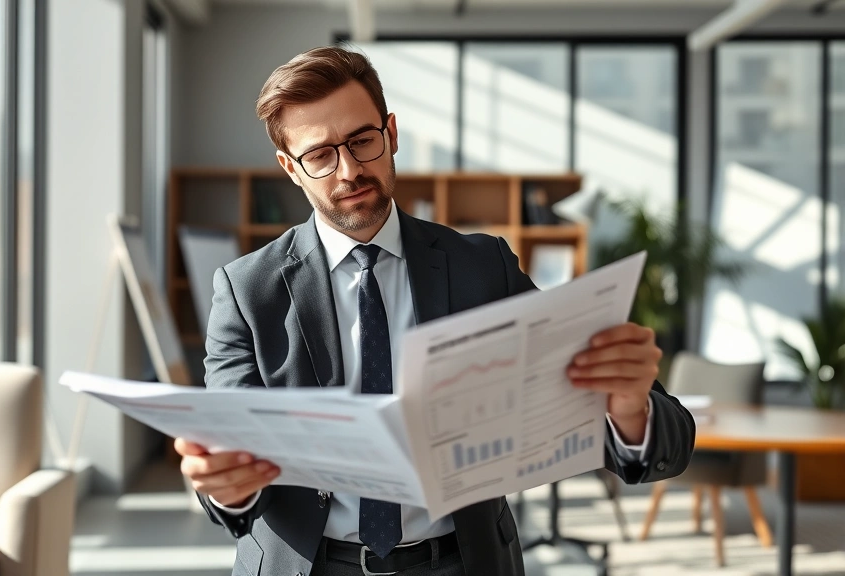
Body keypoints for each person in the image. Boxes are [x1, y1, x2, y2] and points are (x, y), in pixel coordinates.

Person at [175, 45, 695, 576]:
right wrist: (227, 485)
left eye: (362, 140)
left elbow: (662, 438)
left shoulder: (482, 268)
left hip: (462, 562)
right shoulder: (246, 290)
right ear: (291, 168)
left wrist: (629, 408)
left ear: (391, 134)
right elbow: (230, 468)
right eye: (320, 155)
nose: (349, 169)